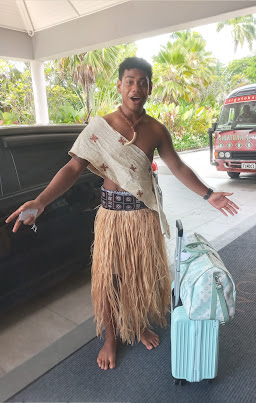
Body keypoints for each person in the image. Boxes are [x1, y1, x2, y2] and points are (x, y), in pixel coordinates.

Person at [6, 57, 239, 371]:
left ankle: (139, 324)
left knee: (139, 277)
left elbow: (179, 167)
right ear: (119, 85)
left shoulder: (156, 129)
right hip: (112, 218)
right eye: (130, 80)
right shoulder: (100, 127)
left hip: (142, 218)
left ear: (150, 88)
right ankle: (111, 337)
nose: (136, 87)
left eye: (142, 82)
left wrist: (209, 195)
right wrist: (40, 201)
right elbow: (73, 168)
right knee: (108, 281)